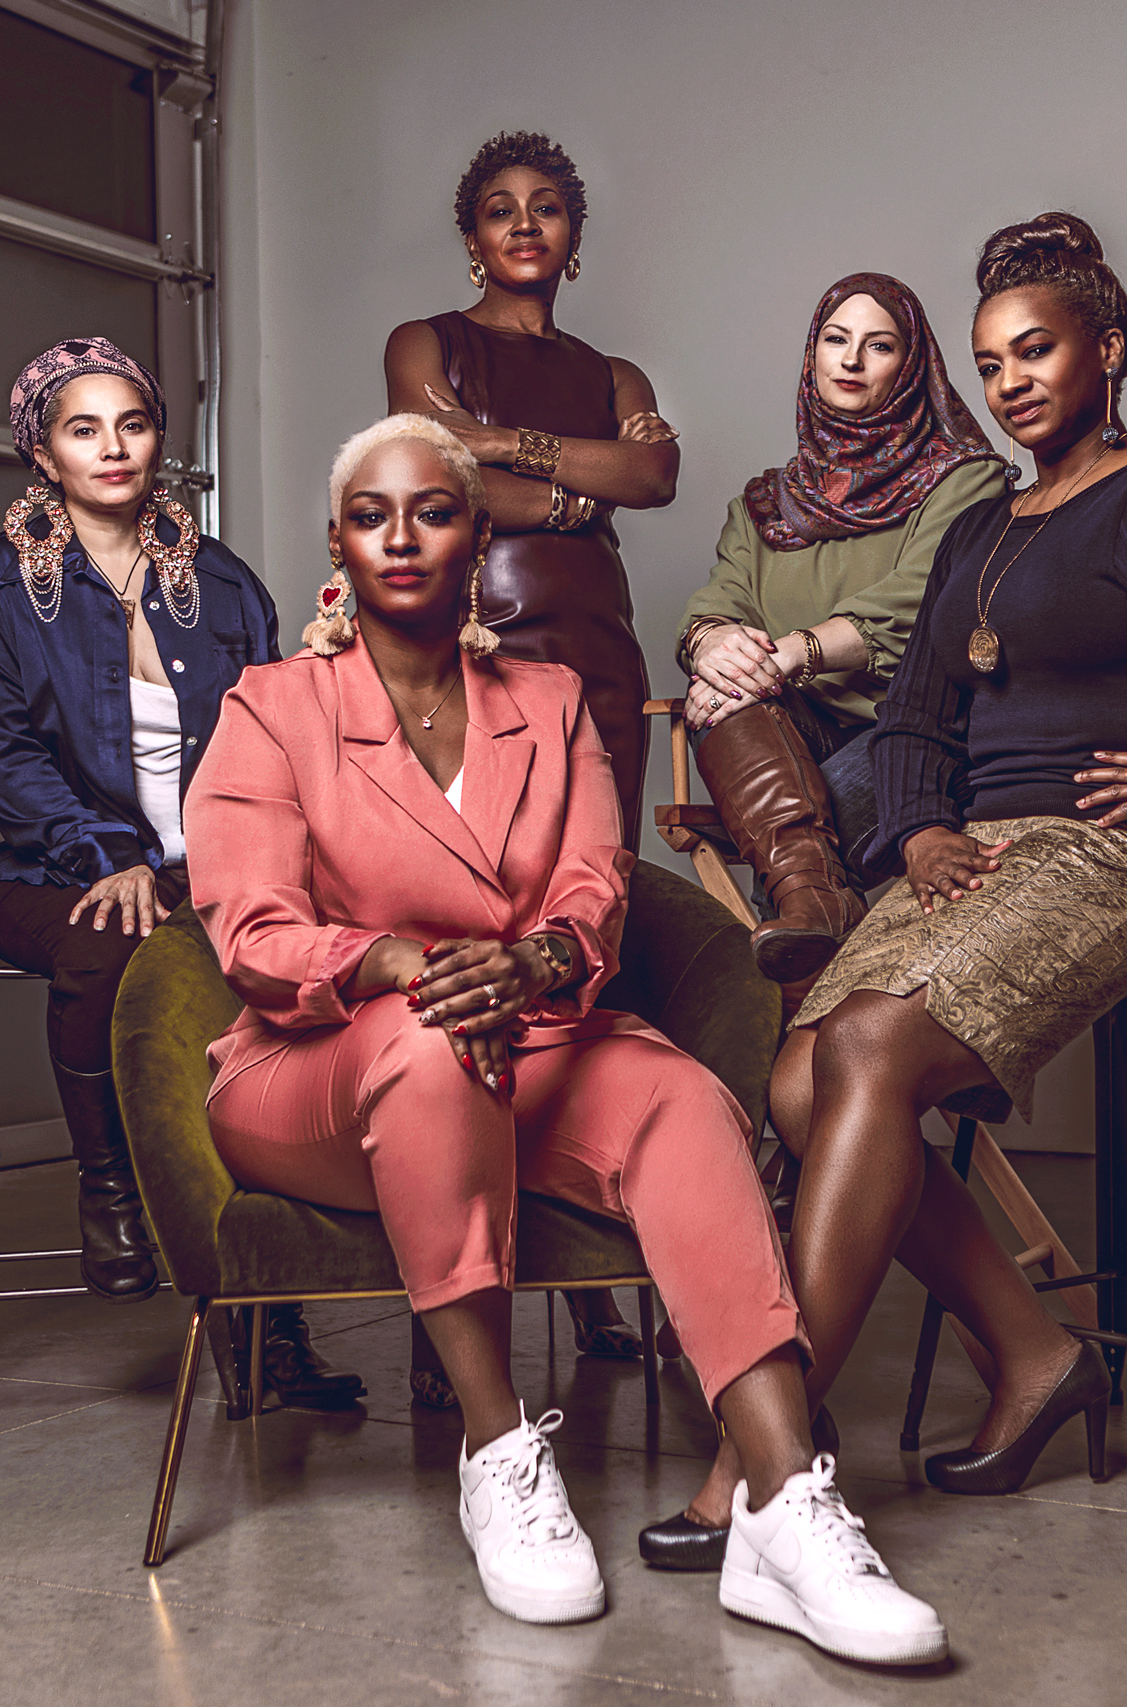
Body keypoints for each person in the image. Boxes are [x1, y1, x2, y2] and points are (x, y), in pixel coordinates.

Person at [185, 414, 945, 1665]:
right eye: (372, 515)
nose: (402, 536)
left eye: (432, 510)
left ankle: (779, 1501)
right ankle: (497, 1452)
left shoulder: (549, 703)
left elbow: (594, 888)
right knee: (429, 1050)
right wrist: (391, 960)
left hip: (531, 1045)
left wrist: (541, 958)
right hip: (312, 1064)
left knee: (682, 1101)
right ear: (338, 544)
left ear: (478, 537)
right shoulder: (271, 711)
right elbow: (253, 931)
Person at [677, 211, 1127, 1535]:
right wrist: (924, 823)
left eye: (1036, 352)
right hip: (981, 852)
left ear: (1106, 350)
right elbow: (923, 707)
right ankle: (1037, 1355)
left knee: (869, 1050)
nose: (1011, 384)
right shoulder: (981, 527)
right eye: (990, 364)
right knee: (802, 1077)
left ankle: (768, 1452)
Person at [0, 336, 362, 1407]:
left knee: (276, 1002)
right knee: (110, 948)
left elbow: (272, 740)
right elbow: (8, 753)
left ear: (158, 438)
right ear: (43, 454)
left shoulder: (218, 582)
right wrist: (113, 855)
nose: (113, 447)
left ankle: (272, 1331)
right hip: (48, 873)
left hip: (208, 874)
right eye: (83, 429)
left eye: (132, 423)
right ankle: (110, 1190)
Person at [383, 130, 680, 1370]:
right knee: (474, 911)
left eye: (547, 208)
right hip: (479, 646)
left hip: (599, 652)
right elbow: (436, 478)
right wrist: (573, 490)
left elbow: (655, 475)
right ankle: (458, 1255)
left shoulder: (613, 366)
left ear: (572, 236)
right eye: (499, 210)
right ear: (471, 236)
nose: (522, 225)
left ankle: (591, 1250)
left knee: (581, 922)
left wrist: (511, 452)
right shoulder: (426, 344)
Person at [676, 272, 1005, 981]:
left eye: (878, 345)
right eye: (835, 339)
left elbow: (922, 601)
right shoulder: (767, 503)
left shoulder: (965, 479)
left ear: (912, 366)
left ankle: (809, 930)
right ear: (812, 356)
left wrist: (792, 652)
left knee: (789, 859)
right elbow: (718, 600)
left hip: (915, 730)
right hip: (790, 730)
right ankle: (817, 909)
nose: (850, 360)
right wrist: (713, 648)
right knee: (727, 701)